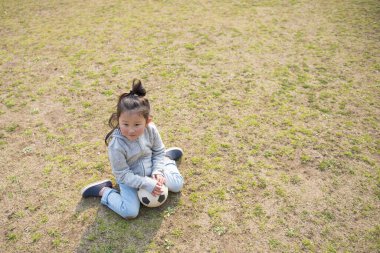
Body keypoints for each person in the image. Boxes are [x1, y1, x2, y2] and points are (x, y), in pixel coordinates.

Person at [81, 79, 184, 219]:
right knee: (130, 212)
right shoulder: (116, 145)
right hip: (130, 179)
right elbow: (122, 174)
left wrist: (157, 171)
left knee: (177, 185)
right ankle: (103, 191)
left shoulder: (151, 129)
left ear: (147, 121)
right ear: (118, 120)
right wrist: (146, 183)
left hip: (152, 169)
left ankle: (168, 160)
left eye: (137, 124)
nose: (131, 130)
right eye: (125, 124)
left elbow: (158, 150)